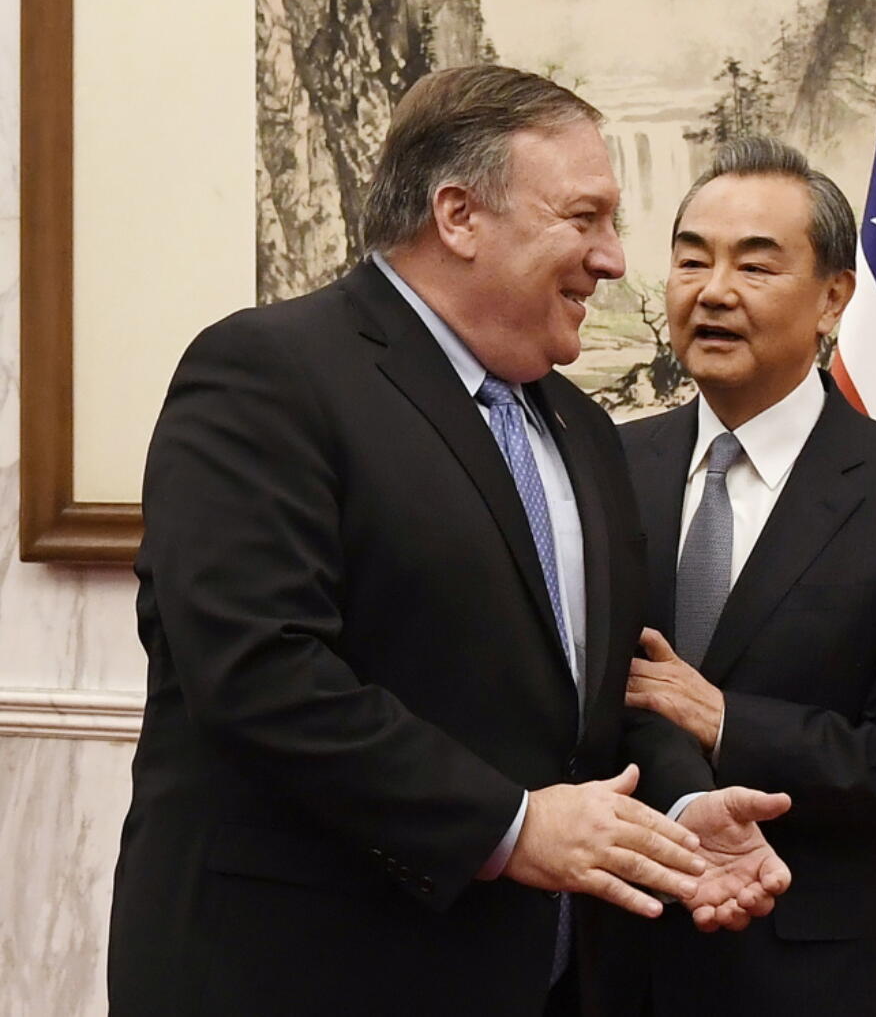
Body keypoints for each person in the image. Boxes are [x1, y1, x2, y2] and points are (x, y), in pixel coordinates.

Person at [107, 67, 791, 1017]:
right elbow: (258, 670)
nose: (614, 261)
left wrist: (677, 812)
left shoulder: (583, 432)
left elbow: (605, 690)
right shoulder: (269, 374)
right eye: (585, 219)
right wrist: (509, 827)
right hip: (305, 976)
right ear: (460, 216)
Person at [617, 136, 876, 1015]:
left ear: (833, 297)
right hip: (612, 955)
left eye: (756, 266)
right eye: (690, 260)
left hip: (804, 972)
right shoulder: (603, 467)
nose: (713, 291)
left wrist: (728, 722)